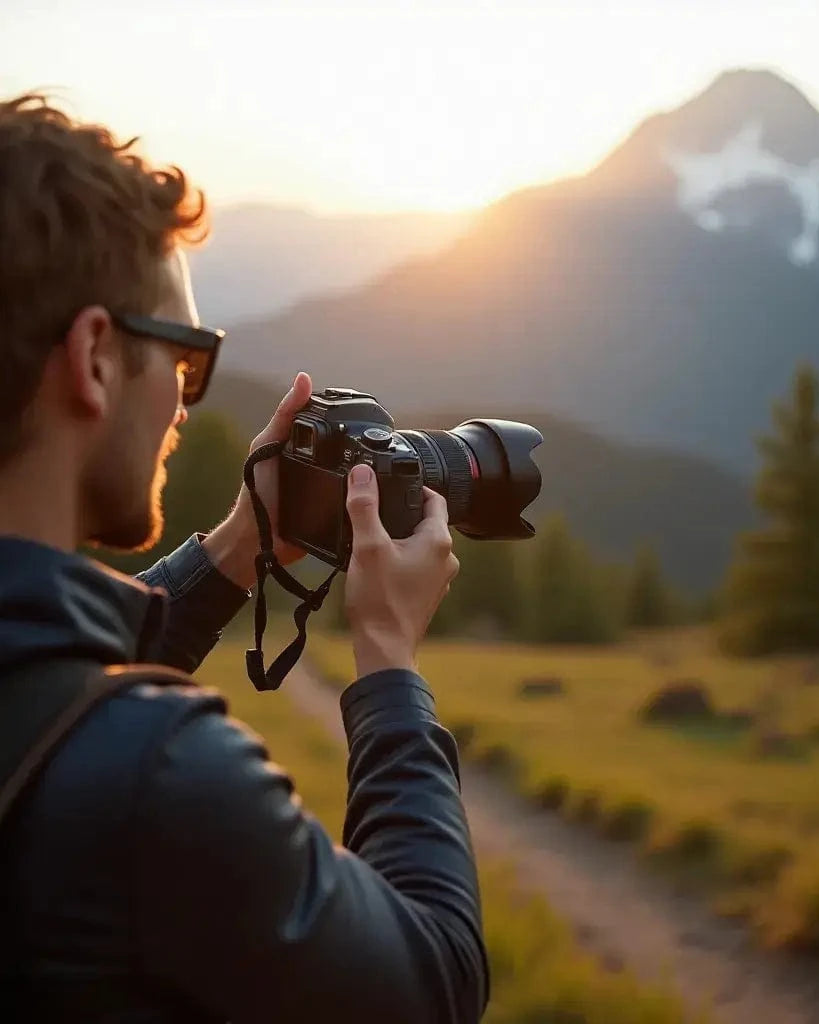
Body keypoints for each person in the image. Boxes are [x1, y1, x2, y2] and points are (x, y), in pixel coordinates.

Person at [0, 93, 487, 1022]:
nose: (185, 405)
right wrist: (387, 660)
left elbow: (38, 681)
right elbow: (434, 984)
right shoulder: (158, 778)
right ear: (96, 357)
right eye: (185, 358)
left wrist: (239, 544)